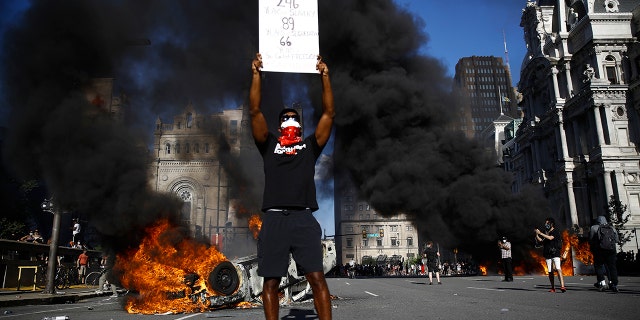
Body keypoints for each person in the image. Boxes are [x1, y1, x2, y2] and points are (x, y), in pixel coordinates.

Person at [249, 52, 334, 320]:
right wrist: (256, 75)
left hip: (303, 218)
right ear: (278, 124)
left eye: (293, 116)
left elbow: (329, 113)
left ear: (299, 123)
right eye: (285, 117)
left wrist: (325, 76)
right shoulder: (269, 144)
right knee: (271, 282)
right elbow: (254, 110)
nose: (289, 119)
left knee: (317, 278)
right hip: (274, 220)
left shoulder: (309, 147)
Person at [535, 217, 566, 293]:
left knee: (558, 269)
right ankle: (553, 287)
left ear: (552, 224)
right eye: (545, 223)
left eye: (547, 223)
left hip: (555, 253)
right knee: (550, 271)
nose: (546, 224)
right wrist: (536, 235)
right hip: (547, 254)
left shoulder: (555, 231)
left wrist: (541, 233)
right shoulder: (547, 233)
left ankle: (562, 286)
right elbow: (542, 242)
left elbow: (550, 238)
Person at [589, 215, 619, 292]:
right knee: (612, 267)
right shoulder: (612, 228)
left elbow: (591, 239)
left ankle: (602, 283)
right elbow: (616, 240)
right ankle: (613, 283)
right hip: (611, 251)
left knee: (598, 266)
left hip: (599, 250)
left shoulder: (594, 228)